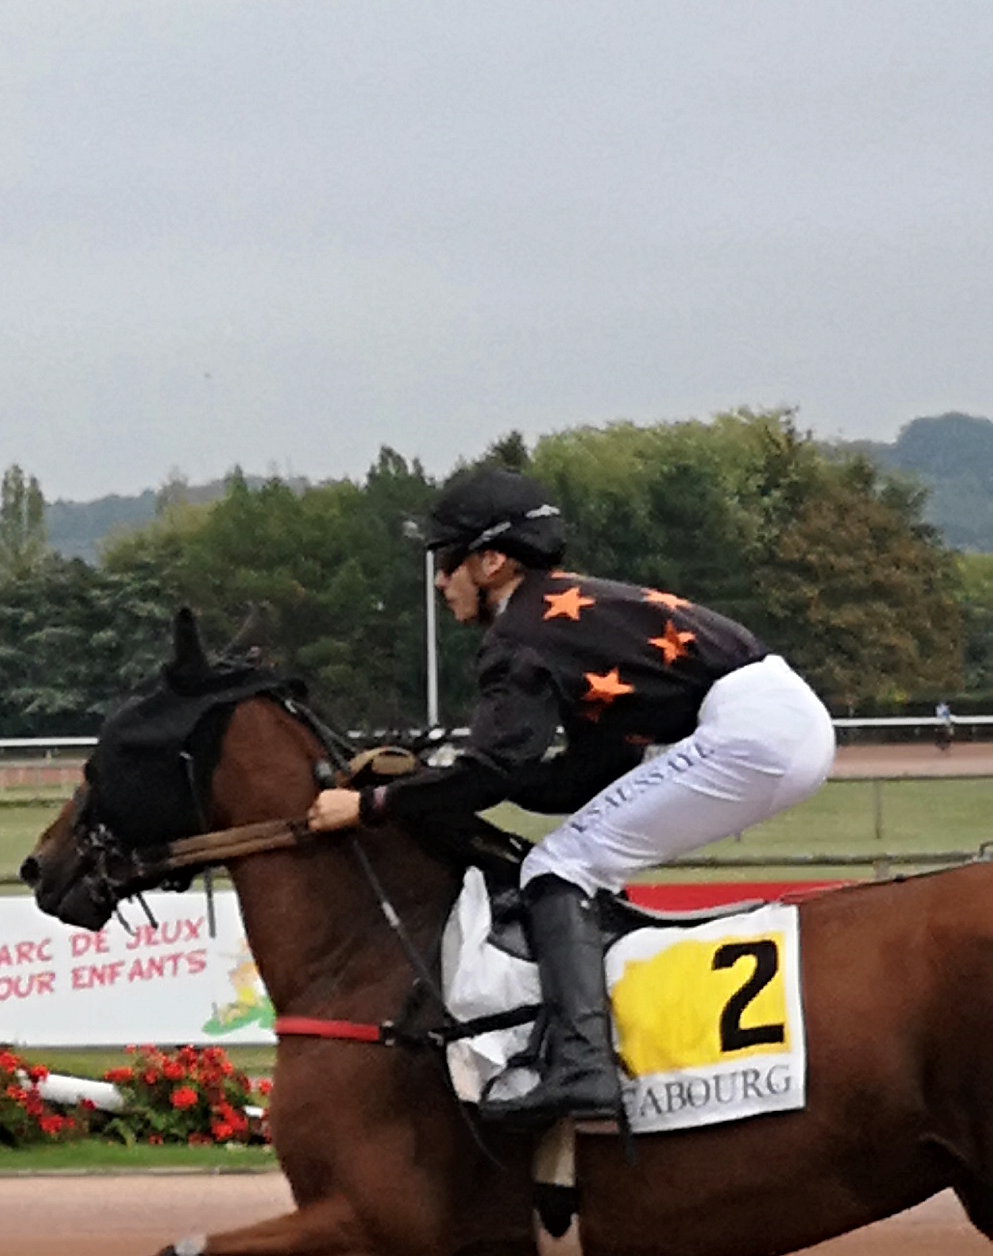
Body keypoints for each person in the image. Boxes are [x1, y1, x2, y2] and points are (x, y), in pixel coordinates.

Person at [306, 463, 835, 1129]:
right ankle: (593, 1039)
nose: (440, 582)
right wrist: (435, 785)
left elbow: (495, 768)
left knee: (558, 867)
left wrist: (373, 805)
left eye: (446, 561)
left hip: (755, 731)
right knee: (571, 859)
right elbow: (577, 779)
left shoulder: (521, 634)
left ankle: (582, 1067)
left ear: (491, 561)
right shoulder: (564, 618)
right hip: (776, 722)